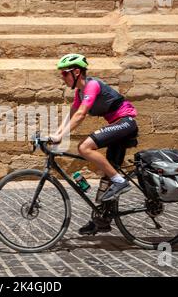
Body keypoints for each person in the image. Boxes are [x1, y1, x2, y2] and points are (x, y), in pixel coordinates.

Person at [49, 53, 139, 235]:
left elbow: (81, 115)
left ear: (76, 72)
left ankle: (120, 182)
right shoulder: (79, 92)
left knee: (84, 147)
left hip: (125, 122)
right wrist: (55, 134)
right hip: (117, 125)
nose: (62, 78)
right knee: (106, 176)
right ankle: (101, 220)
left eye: (64, 74)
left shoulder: (92, 85)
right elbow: (72, 114)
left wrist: (61, 136)